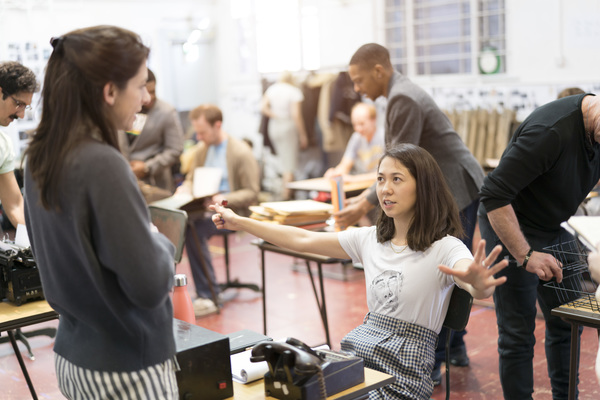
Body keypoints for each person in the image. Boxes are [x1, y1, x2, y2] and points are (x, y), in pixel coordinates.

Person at [209, 143, 507, 399]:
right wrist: (240, 222)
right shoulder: (370, 239)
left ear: (423, 186)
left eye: (397, 179)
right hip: (357, 360)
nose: (385, 189)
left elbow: (474, 281)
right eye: (380, 179)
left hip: (404, 374)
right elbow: (302, 239)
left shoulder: (445, 247)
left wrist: (478, 284)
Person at [23, 26, 178, 398]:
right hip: (126, 369)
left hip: (75, 357)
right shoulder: (102, 163)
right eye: (140, 86)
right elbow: (149, 285)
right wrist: (160, 243)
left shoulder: (39, 157)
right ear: (110, 91)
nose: (144, 100)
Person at [340, 43, 486, 383]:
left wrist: (364, 202)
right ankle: (455, 349)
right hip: (454, 183)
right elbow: (394, 169)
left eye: (359, 80)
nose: (357, 89)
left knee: (444, 271)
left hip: (456, 186)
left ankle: (431, 362)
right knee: (446, 274)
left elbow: (398, 164)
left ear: (379, 71)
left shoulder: (403, 98)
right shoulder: (400, 95)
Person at [478, 92, 600, 399]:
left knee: (569, 320)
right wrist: (526, 254)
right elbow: (493, 195)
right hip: (509, 222)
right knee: (518, 333)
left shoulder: (595, 132)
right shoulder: (551, 131)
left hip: (552, 225)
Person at [178, 104, 260, 316]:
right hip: (205, 210)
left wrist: (225, 198)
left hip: (234, 214)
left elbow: (252, 192)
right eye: (197, 131)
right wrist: (185, 188)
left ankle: (209, 295)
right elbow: (191, 179)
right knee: (182, 222)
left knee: (193, 229)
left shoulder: (240, 152)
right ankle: (204, 292)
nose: (199, 136)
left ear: (218, 125)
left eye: (203, 132)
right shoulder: (201, 150)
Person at [118, 68, 184, 194]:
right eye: (146, 92)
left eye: (153, 91)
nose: (150, 97)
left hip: (156, 184)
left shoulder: (167, 112)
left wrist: (148, 167)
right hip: (127, 181)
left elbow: (175, 149)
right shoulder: (125, 110)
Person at [0, 61, 38, 228]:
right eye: (18, 104)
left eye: (26, 106)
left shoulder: (4, 145)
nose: (22, 115)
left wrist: (36, 244)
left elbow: (15, 205)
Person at [261, 71, 308, 200]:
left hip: (274, 126)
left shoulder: (272, 89)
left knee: (283, 160)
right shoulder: (294, 91)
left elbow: (263, 107)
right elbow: (296, 115)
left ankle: (284, 192)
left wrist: (275, 115)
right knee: (289, 164)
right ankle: (286, 197)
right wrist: (303, 135)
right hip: (287, 125)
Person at [323, 102, 384, 178]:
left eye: (362, 124)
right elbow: (345, 165)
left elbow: (385, 173)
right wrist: (335, 173)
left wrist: (354, 179)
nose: (358, 128)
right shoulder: (356, 137)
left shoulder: (383, 137)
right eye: (354, 124)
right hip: (361, 183)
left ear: (373, 120)